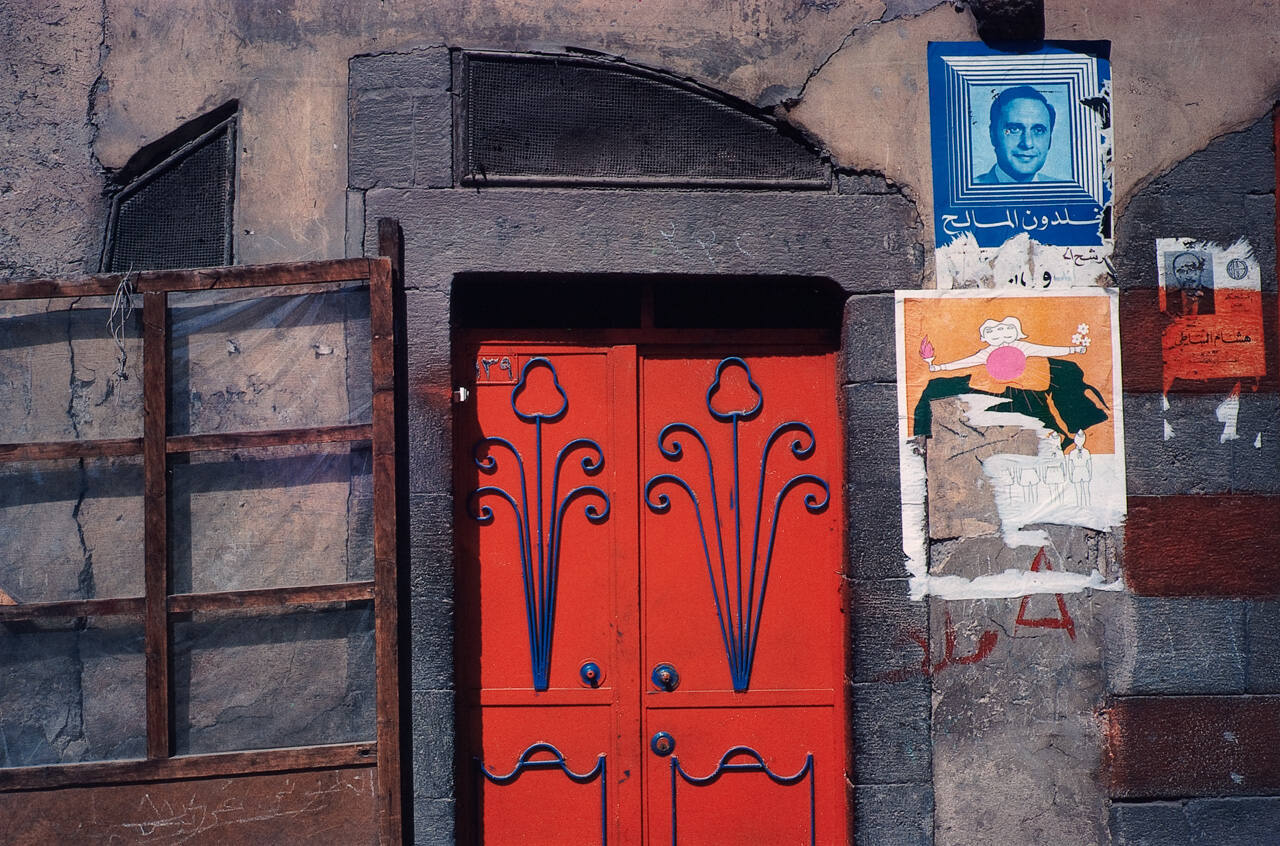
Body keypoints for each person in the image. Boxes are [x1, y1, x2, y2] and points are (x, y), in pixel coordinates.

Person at [914, 316, 1108, 447]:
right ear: (986, 336)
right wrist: (938, 367)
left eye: (1007, 331)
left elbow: (1046, 350)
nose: (1001, 336)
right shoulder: (987, 352)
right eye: (994, 333)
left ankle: (1066, 435)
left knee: (1038, 407)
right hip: (996, 385)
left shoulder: (1023, 347)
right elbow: (966, 362)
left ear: (1017, 332)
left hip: (1027, 383)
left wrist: (1073, 349)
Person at [976, 86, 1062, 184]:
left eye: (1038, 130)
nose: (1027, 143)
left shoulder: (1064, 189)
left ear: (1050, 140)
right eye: (1014, 129)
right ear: (993, 135)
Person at [1167, 251, 1214, 316]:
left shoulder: (1214, 298)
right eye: (1181, 271)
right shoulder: (1168, 300)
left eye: (1192, 269)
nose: (1188, 276)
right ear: (1175, 274)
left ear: (1200, 271)